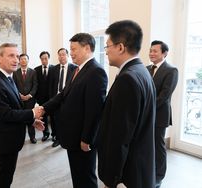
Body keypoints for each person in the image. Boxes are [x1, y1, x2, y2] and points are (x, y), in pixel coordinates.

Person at [43, 33, 108, 188]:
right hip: (73, 136)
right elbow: (63, 95)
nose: (70, 53)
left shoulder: (96, 72)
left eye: (73, 49)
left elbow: (94, 111)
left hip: (82, 139)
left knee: (86, 177)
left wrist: (87, 139)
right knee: (78, 175)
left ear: (86, 48)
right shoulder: (77, 70)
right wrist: (42, 108)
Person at [97, 20, 156, 188]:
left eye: (107, 46)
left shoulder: (127, 79)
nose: (106, 52)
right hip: (141, 165)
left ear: (120, 47)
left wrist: (112, 179)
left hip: (129, 172)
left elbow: (120, 136)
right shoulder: (142, 71)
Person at [0, 43, 44, 188]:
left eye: (17, 56)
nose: (16, 60)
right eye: (11, 56)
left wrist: (31, 120)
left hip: (12, 138)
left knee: (7, 175)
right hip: (5, 140)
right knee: (5, 177)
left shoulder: (8, 78)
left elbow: (16, 106)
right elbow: (6, 114)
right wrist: (32, 113)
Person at [147, 40, 178, 188]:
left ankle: (158, 176)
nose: (151, 53)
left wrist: (146, 109)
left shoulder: (171, 70)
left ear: (164, 53)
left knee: (158, 147)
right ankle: (147, 171)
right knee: (146, 145)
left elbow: (164, 96)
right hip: (145, 115)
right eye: (150, 50)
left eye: (155, 51)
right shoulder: (146, 69)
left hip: (159, 116)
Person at [49, 48, 77, 147]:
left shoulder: (74, 68)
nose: (61, 57)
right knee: (56, 119)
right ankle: (57, 138)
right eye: (59, 55)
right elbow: (51, 85)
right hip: (56, 98)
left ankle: (66, 137)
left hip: (68, 99)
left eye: (63, 54)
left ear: (67, 55)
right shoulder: (53, 69)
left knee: (67, 119)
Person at [13, 53, 38, 144]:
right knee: (20, 119)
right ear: (19, 61)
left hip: (30, 100)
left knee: (31, 118)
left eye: (25, 59)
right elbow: (14, 85)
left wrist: (29, 95)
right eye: (21, 59)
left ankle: (32, 137)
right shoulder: (15, 72)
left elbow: (35, 85)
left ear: (28, 60)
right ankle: (21, 138)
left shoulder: (33, 72)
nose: (23, 60)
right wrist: (19, 95)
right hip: (19, 100)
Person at [34, 51, 54, 141]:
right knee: (44, 117)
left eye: (46, 58)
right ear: (40, 60)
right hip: (41, 98)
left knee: (53, 117)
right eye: (42, 59)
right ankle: (45, 133)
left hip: (52, 98)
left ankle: (54, 134)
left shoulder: (54, 69)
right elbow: (36, 84)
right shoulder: (36, 70)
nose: (44, 60)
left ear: (48, 58)